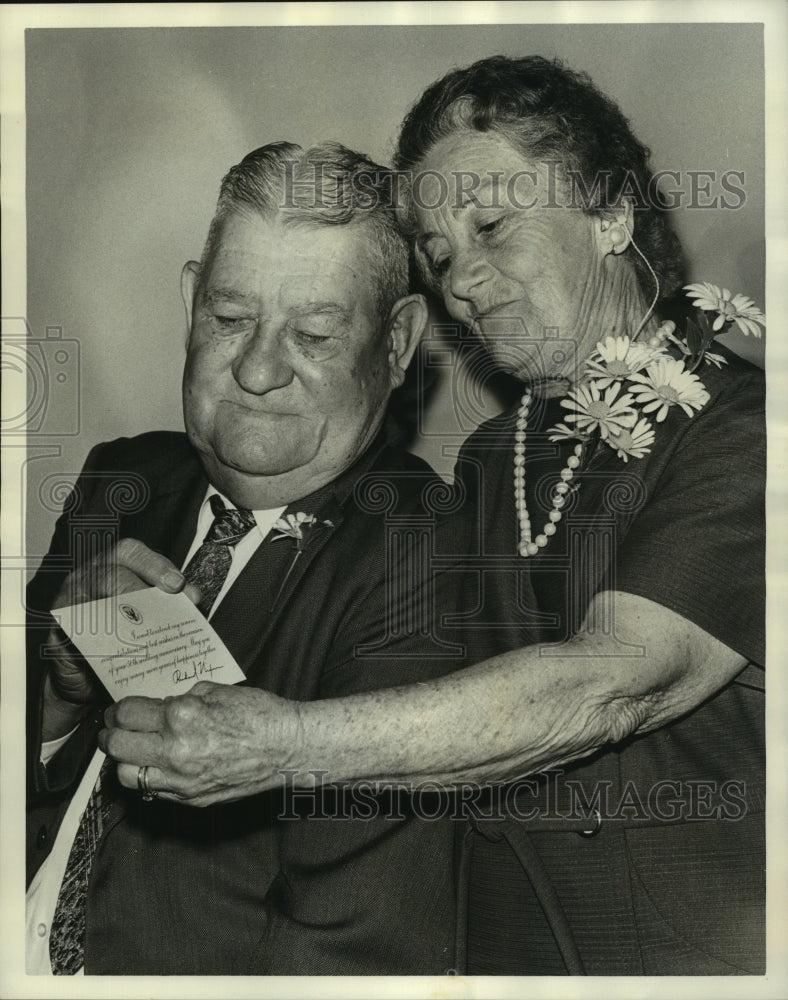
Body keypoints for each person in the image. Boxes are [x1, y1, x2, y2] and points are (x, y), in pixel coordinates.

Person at [102, 56, 766, 976]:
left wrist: (276, 746)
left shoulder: (748, 431)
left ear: (611, 213)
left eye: (492, 225)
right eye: (440, 251)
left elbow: (614, 684)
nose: (462, 280)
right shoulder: (493, 465)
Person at [26, 140, 469, 975]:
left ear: (399, 342)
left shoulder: (428, 557)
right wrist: (56, 691)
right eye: (230, 319)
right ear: (191, 300)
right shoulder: (123, 479)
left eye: (313, 334)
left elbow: (354, 949)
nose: (258, 370)